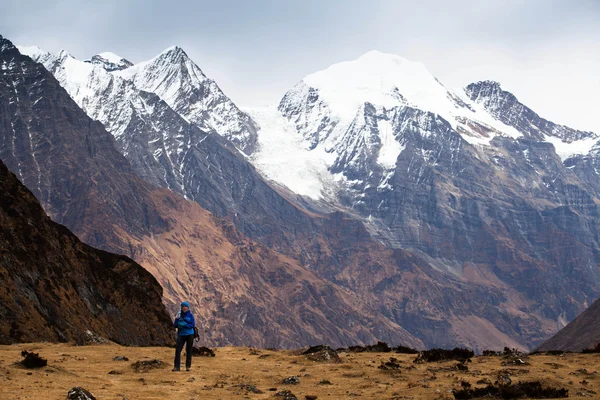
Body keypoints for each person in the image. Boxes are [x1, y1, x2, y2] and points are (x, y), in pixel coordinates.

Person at [172, 301, 195, 372]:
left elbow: (192, 325)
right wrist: (179, 325)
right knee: (178, 350)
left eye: (185, 306)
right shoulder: (178, 316)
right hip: (181, 335)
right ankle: (176, 367)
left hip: (189, 335)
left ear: (188, 308)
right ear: (181, 307)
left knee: (189, 350)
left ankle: (188, 366)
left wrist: (184, 325)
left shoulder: (190, 315)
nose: (184, 308)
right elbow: (175, 324)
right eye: (183, 306)